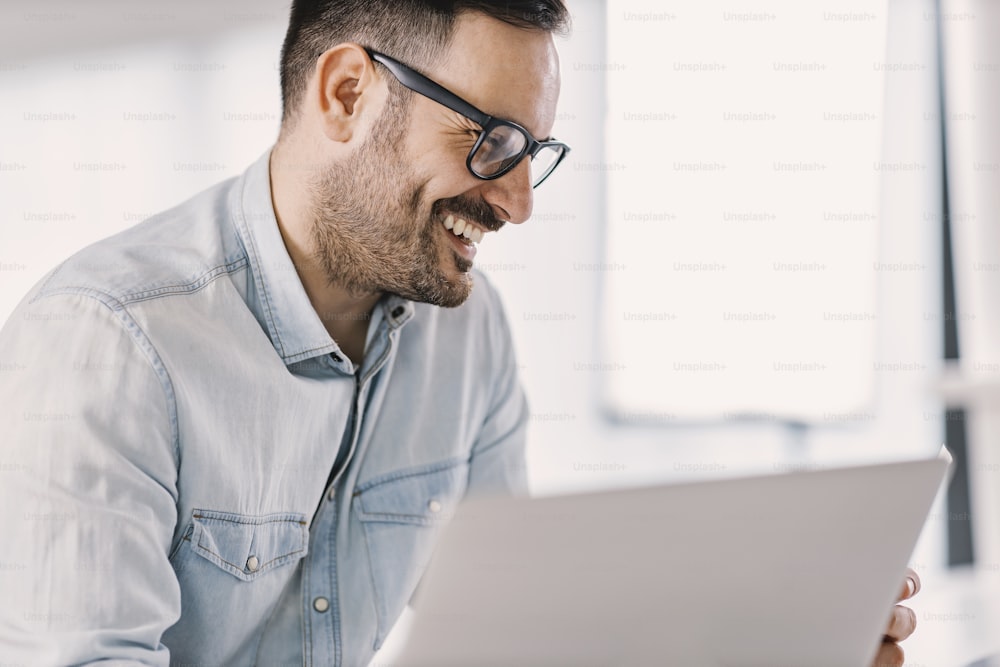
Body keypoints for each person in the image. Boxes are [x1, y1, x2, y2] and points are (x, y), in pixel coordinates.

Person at [0, 1, 918, 665]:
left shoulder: (468, 338)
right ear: (349, 93)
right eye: (492, 140)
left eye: (535, 156)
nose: (517, 203)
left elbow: (523, 640)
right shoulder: (106, 348)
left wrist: (788, 643)